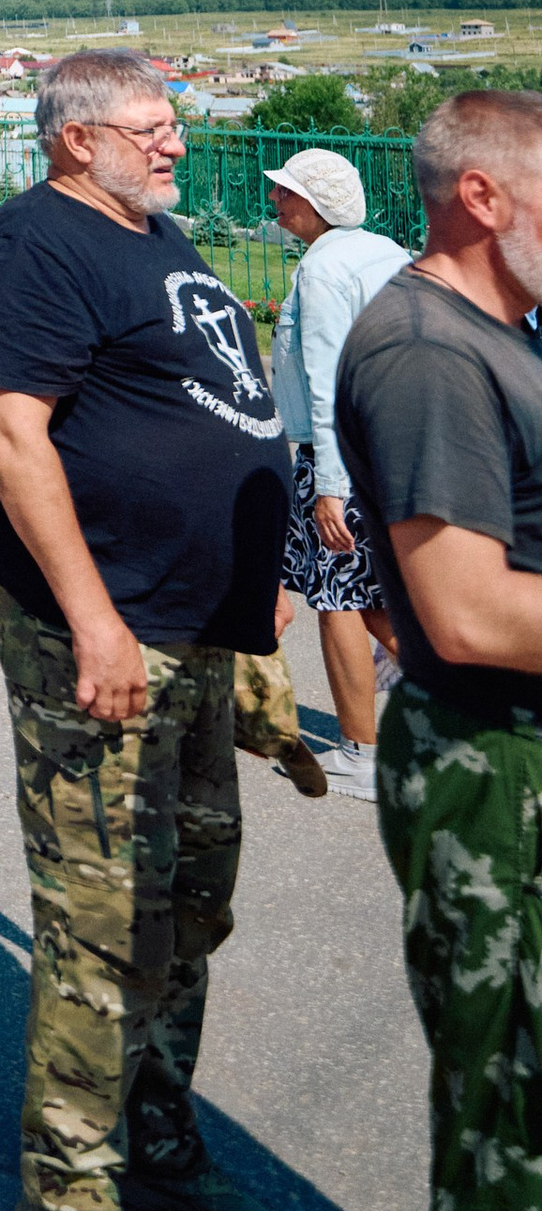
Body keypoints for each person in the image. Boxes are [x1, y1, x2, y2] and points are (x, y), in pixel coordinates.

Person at [0, 46, 297, 1211]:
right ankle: (71, 1187)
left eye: (173, 123)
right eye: (151, 126)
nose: (174, 143)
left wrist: (255, 600)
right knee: (103, 909)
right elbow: (11, 432)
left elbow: (219, 411)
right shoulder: (32, 243)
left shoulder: (162, 239)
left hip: (199, 631)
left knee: (192, 894)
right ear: (75, 137)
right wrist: (93, 619)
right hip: (96, 629)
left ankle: (157, 1136)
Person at [335, 89, 542, 1211]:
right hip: (494, 780)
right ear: (484, 196)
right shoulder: (424, 351)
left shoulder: (507, 334)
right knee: (513, 1132)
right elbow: (465, 610)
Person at [265, 146, 410, 800]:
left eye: (287, 191)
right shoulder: (385, 251)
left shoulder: (323, 270)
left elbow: (326, 385)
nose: (276, 199)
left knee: (338, 599)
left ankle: (362, 755)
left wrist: (329, 487)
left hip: (345, 456)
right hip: (396, 446)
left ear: (317, 204)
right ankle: (478, 713)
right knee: (375, 596)